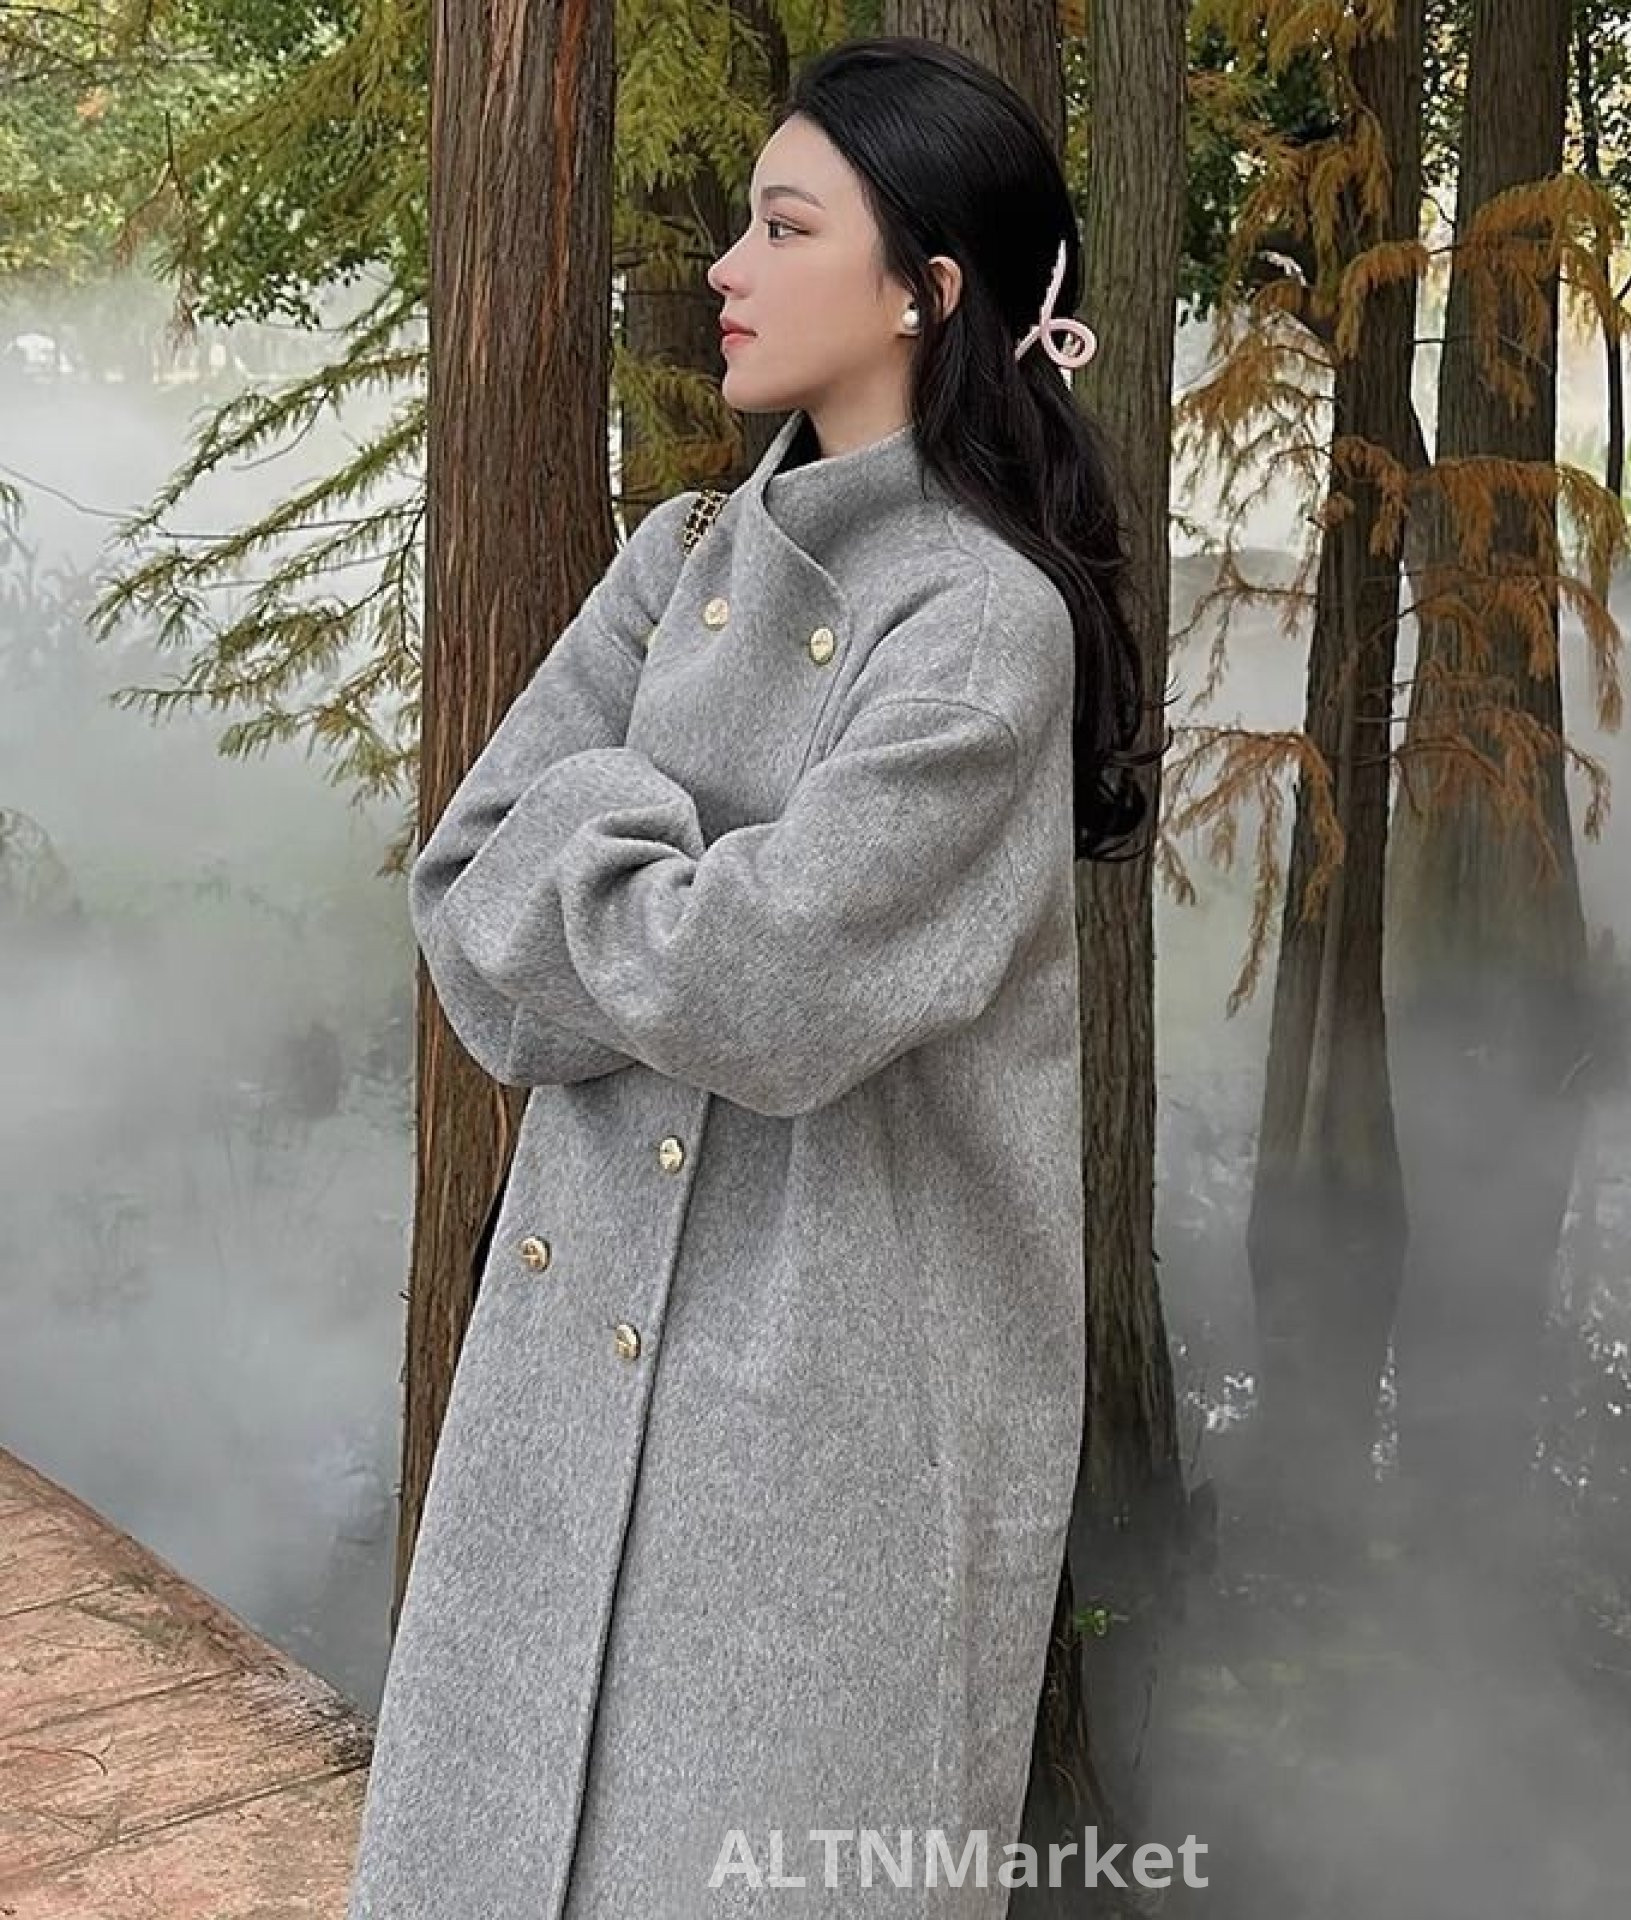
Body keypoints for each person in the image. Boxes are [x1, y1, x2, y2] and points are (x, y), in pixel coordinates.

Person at [344, 32, 1156, 1920]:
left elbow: (769, 991)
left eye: (785, 228)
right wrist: (670, 871)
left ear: (922, 290)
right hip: (568, 1378)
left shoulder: (983, 629)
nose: (725, 265)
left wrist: (596, 826)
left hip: (821, 1431)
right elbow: (465, 905)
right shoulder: (678, 552)